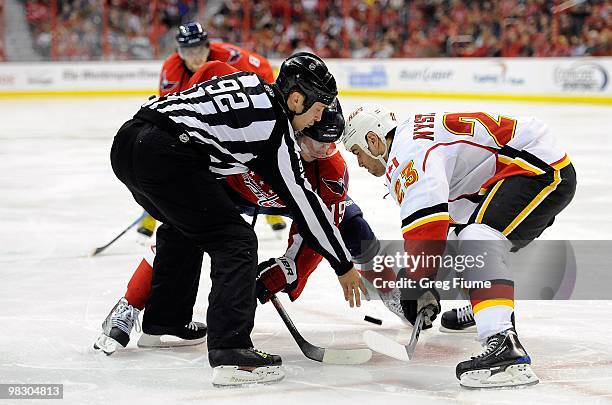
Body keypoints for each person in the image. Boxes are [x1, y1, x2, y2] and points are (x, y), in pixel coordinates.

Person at [104, 52, 366, 386]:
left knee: (185, 228)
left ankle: (165, 321)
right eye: (317, 111)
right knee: (236, 240)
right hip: (167, 152)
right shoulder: (278, 132)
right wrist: (343, 265)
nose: (318, 120)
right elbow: (303, 203)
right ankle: (232, 352)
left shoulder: (251, 84)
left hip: (130, 140)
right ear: (297, 99)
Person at [342, 103, 576, 389]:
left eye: (357, 152)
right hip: (507, 172)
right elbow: (441, 230)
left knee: (478, 239)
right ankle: (483, 308)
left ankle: (504, 346)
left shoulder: (408, 156)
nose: (360, 163)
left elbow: (426, 234)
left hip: (537, 167)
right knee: (459, 241)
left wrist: (413, 286)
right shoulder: (407, 140)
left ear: (373, 140)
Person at [137, 21, 285, 239]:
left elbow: (262, 70)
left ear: (208, 46)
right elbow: (168, 112)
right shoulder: (171, 70)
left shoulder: (230, 57)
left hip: (238, 111)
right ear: (179, 51)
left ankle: (268, 209)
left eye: (199, 49)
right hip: (200, 119)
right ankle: (152, 212)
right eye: (188, 51)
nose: (195, 56)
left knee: (252, 153)